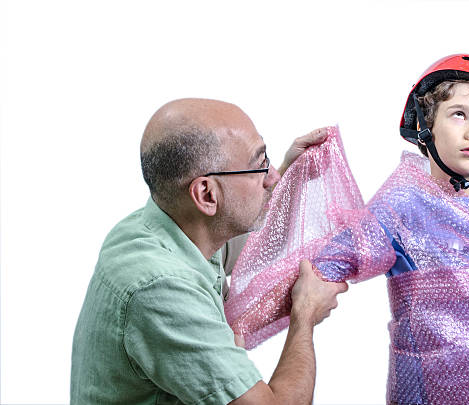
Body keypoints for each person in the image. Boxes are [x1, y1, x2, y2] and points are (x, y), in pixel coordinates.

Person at [312, 54, 469, 404]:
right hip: (418, 390)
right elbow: (327, 266)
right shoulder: (398, 207)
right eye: (459, 114)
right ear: (426, 124)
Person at [70, 98, 348, 405]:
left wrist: (291, 174)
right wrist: (304, 315)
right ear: (206, 194)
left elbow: (254, 243)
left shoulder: (169, 226)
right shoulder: (161, 288)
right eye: (259, 166)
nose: (271, 177)